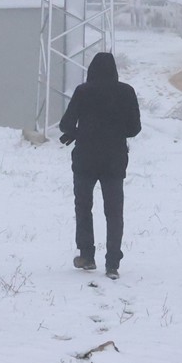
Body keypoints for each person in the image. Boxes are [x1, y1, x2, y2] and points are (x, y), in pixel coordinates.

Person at [58, 51, 141, 280]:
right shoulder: (126, 92)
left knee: (83, 206)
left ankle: (87, 256)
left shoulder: (83, 91)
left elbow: (65, 124)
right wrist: (114, 132)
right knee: (114, 212)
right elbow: (134, 129)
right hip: (114, 159)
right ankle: (113, 263)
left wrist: (79, 133)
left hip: (85, 158)